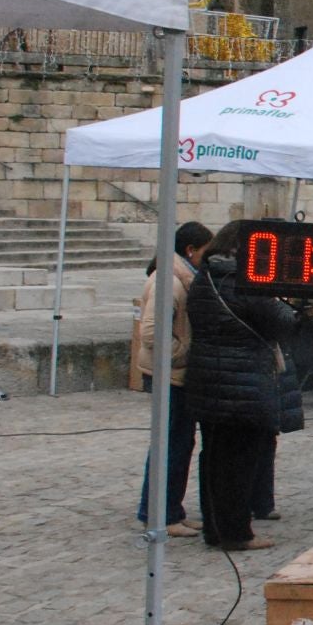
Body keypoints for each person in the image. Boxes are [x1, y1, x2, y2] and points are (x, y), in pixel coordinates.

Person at [184, 220, 304, 551]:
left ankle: (216, 527)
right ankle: (236, 532)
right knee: (238, 463)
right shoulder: (244, 280)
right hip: (243, 383)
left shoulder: (205, 277)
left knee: (214, 460)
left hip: (208, 380)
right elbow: (282, 322)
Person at [134, 221, 214, 537]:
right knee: (169, 445)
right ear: (191, 250)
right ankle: (158, 514)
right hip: (169, 374)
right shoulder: (169, 281)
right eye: (205, 252)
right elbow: (152, 332)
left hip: (178, 374)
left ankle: (172, 510)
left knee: (181, 443)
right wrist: (185, 351)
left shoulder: (183, 278)